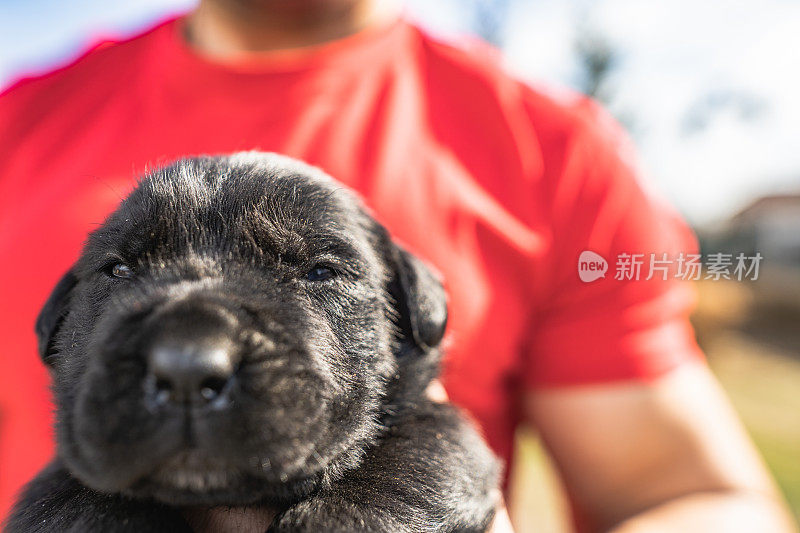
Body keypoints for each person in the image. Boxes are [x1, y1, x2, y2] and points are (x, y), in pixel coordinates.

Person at [0, 1, 794, 530]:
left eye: (315, 272)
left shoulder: (550, 153)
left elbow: (708, 499)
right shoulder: (16, 120)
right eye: (119, 272)